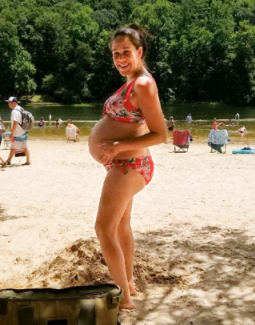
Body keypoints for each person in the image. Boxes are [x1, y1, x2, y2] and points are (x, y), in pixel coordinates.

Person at [89, 24, 167, 310]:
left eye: (125, 53)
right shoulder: (132, 81)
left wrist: (117, 147)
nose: (120, 59)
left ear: (139, 51)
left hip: (130, 165)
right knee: (121, 226)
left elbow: (161, 134)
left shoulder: (143, 84)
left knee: (103, 228)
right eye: (115, 54)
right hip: (127, 165)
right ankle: (130, 284)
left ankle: (123, 298)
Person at [3, 97, 31, 167]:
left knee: (13, 147)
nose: (8, 104)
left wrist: (12, 133)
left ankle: (8, 161)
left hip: (18, 132)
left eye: (10, 102)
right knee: (25, 146)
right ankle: (28, 161)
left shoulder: (14, 111)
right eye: (8, 102)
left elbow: (15, 123)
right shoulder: (21, 108)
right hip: (25, 130)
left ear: (15, 102)